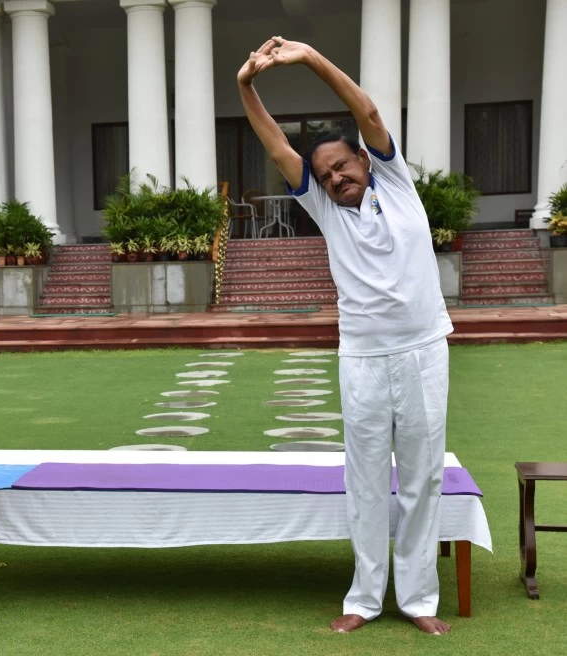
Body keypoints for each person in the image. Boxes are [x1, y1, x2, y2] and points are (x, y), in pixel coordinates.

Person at [237, 37, 454, 635]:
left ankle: (419, 602)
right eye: (326, 174)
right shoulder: (325, 208)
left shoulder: (397, 184)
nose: (335, 178)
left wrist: (308, 59)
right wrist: (245, 86)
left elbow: (370, 113)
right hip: (361, 357)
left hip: (422, 352)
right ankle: (363, 597)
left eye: (342, 165)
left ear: (364, 160)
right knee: (363, 479)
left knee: (421, 475)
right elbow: (277, 146)